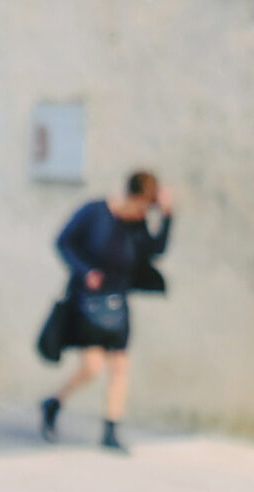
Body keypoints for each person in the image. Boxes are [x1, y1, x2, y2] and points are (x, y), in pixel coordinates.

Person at [41, 171, 172, 453]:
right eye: (143, 206)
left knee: (120, 366)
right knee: (92, 367)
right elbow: (63, 242)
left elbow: (155, 251)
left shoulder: (137, 225)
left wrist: (167, 216)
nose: (143, 213)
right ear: (131, 196)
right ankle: (54, 401)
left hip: (118, 302)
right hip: (86, 301)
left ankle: (111, 430)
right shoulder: (95, 213)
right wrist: (85, 271)